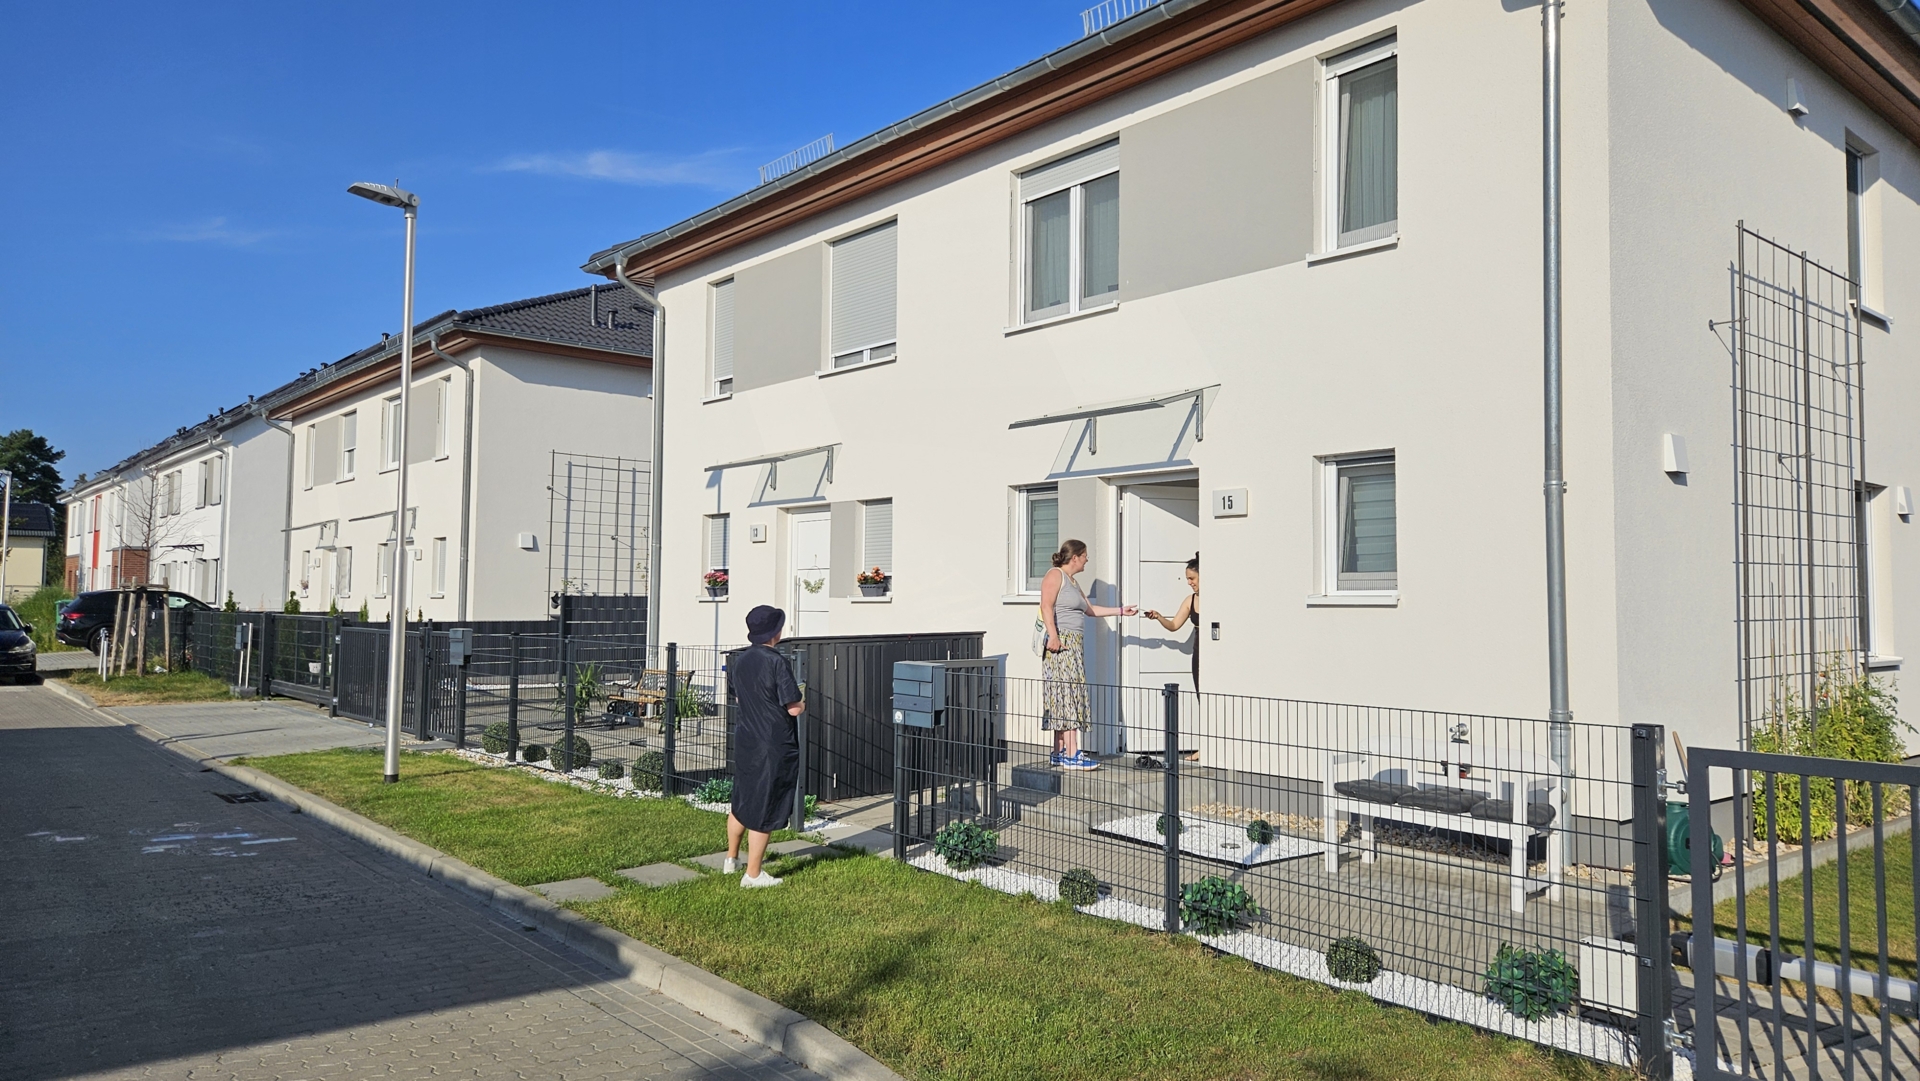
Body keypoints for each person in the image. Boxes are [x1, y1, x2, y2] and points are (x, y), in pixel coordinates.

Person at [724, 604, 805, 887]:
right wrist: (803, 700)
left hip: (746, 738)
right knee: (765, 805)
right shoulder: (776, 662)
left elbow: (738, 699)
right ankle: (753, 874)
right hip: (773, 743)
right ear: (776, 632)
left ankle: (731, 859)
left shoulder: (740, 660)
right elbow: (793, 708)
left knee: (742, 798)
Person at [1039, 539, 1136, 770]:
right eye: (1085, 555)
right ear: (1075, 557)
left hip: (1073, 644)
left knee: (1067, 693)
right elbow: (1045, 606)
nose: (1087, 560)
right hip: (1061, 643)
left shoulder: (1072, 582)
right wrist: (1054, 636)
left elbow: (1089, 609)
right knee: (1067, 693)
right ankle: (1072, 753)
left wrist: (1121, 611)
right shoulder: (1055, 575)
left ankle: (1059, 751)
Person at [1144, 554, 1201, 690]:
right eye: (1187, 579)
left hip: (1215, 650)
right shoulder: (1190, 600)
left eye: (1192, 578)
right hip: (1198, 651)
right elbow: (1174, 625)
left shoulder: (1217, 598)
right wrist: (1158, 617)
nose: (1189, 583)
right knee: (1200, 690)